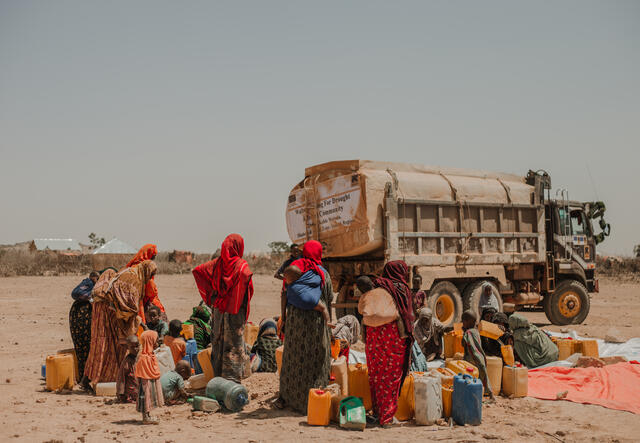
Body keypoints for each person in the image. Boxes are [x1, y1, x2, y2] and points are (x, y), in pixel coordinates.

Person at [277, 240, 332, 413]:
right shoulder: (322, 273)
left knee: (293, 357)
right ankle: (315, 397)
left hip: (295, 323)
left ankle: (288, 397)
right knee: (316, 358)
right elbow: (328, 298)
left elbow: (284, 295)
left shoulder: (295, 268)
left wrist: (284, 318)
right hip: (315, 324)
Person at [192, 234, 254, 383]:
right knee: (234, 342)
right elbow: (247, 283)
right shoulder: (242, 266)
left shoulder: (216, 265)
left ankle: (218, 376)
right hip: (235, 310)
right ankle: (232, 377)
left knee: (218, 340)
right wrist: (234, 301)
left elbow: (198, 271)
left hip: (219, 310)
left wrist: (212, 298)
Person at [84, 260, 157, 388]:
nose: (150, 278)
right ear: (146, 270)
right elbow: (129, 306)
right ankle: (103, 380)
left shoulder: (129, 273)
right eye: (151, 274)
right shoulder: (133, 278)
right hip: (110, 314)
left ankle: (93, 378)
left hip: (108, 313)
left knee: (103, 346)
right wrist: (139, 323)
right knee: (110, 346)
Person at [363, 261, 415, 427]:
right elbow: (407, 314)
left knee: (377, 373)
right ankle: (386, 417)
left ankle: (378, 411)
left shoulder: (377, 285)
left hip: (373, 335)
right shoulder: (401, 288)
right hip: (392, 336)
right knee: (391, 376)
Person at [69, 270, 99, 388]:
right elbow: (75, 293)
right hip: (82, 320)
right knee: (85, 348)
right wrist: (91, 298)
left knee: (84, 349)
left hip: (80, 319)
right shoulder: (88, 284)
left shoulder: (89, 286)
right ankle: (85, 378)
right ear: (94, 277)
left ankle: (84, 377)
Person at [126, 244, 166, 323]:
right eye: (153, 255)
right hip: (142, 299)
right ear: (148, 254)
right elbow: (150, 290)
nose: (154, 258)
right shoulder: (145, 267)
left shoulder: (132, 266)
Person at [461, 310, 495, 400]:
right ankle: (490, 394)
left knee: (470, 377)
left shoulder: (468, 333)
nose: (462, 323)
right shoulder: (476, 331)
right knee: (484, 376)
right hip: (480, 357)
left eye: (463, 321)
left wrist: (463, 333)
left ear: (468, 321)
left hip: (472, 358)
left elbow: (465, 343)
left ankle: (474, 395)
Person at [135, 330, 164, 425]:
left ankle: (148, 416)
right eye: (155, 340)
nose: (157, 343)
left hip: (149, 382)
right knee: (145, 400)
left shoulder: (150, 355)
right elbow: (141, 374)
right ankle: (146, 418)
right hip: (145, 384)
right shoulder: (144, 358)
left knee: (149, 400)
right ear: (149, 341)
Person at [117, 335, 140, 403]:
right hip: (131, 393)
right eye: (132, 347)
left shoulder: (140, 358)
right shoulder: (126, 362)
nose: (135, 349)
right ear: (127, 348)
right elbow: (121, 378)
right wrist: (121, 393)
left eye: (137, 346)